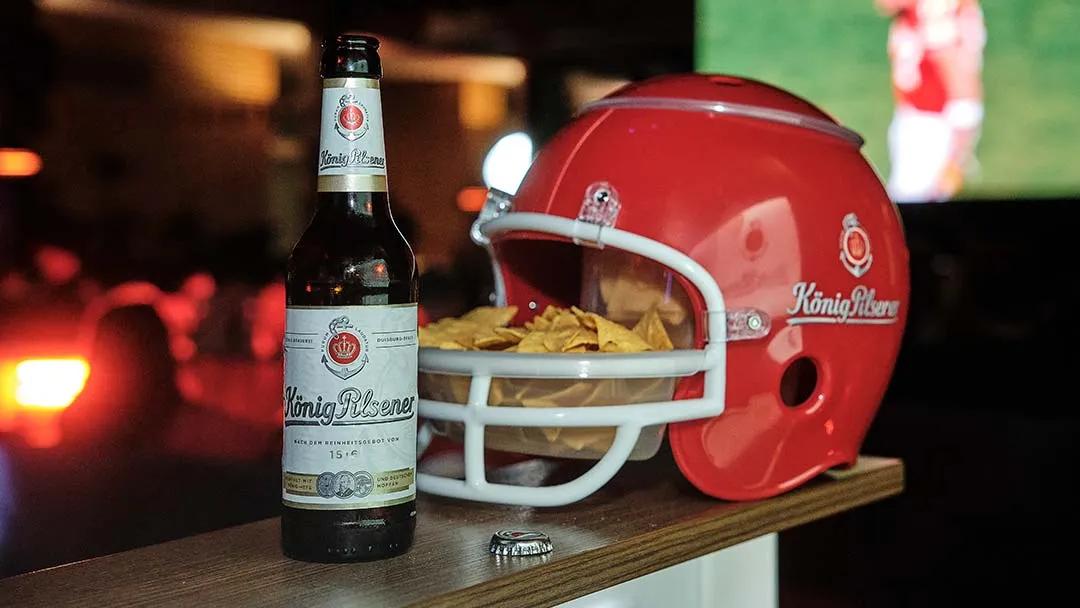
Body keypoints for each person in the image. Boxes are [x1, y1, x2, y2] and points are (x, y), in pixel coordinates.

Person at [878, 0, 986, 202]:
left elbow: (964, 87)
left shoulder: (938, 12)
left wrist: (958, 153)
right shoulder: (917, 12)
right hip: (916, 121)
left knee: (909, 207)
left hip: (932, 131)